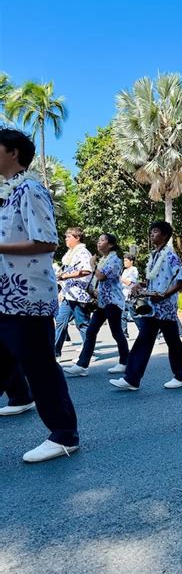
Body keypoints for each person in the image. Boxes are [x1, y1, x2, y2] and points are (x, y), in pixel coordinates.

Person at [0, 128, 79, 462]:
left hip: (27, 297)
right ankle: (21, 399)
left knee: (41, 367)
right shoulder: (7, 193)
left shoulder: (30, 189)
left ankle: (64, 435)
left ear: (13, 152)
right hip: (5, 297)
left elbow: (47, 241)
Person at [110, 221, 182, 391]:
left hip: (165, 306)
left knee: (172, 341)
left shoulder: (170, 255)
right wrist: (141, 285)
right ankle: (132, 379)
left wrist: (163, 295)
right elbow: (155, 279)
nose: (152, 234)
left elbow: (181, 280)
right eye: (151, 231)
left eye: (155, 231)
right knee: (144, 340)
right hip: (153, 306)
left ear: (165, 235)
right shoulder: (154, 255)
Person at [64, 234, 129, 376]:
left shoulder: (115, 259)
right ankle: (82, 365)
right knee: (91, 331)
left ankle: (125, 362)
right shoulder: (104, 259)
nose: (99, 243)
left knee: (116, 332)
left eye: (102, 240)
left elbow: (101, 276)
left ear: (110, 245)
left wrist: (92, 265)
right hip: (102, 302)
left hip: (113, 302)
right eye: (98, 240)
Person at [54, 226, 93, 358]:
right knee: (60, 322)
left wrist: (66, 276)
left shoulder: (83, 253)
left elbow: (87, 270)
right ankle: (55, 354)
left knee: (82, 324)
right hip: (67, 294)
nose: (66, 239)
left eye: (68, 237)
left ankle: (88, 353)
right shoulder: (70, 254)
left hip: (79, 295)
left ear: (77, 238)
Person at [121, 253, 140, 338]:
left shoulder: (134, 270)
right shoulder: (124, 271)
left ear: (131, 261)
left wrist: (120, 278)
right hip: (123, 296)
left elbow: (130, 283)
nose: (124, 262)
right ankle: (125, 334)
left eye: (126, 260)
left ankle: (142, 330)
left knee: (134, 315)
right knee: (122, 316)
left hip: (130, 295)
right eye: (124, 260)